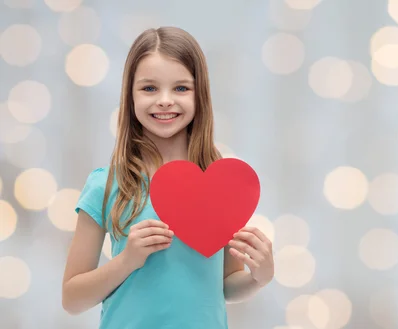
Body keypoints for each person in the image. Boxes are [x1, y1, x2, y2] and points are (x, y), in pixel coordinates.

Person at [61, 26, 274, 329]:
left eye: (180, 88)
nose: (164, 100)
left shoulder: (222, 186)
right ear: (130, 94)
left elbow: (224, 286)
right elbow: (72, 299)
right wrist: (127, 260)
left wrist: (259, 277)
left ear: (200, 95)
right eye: (149, 88)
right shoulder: (106, 185)